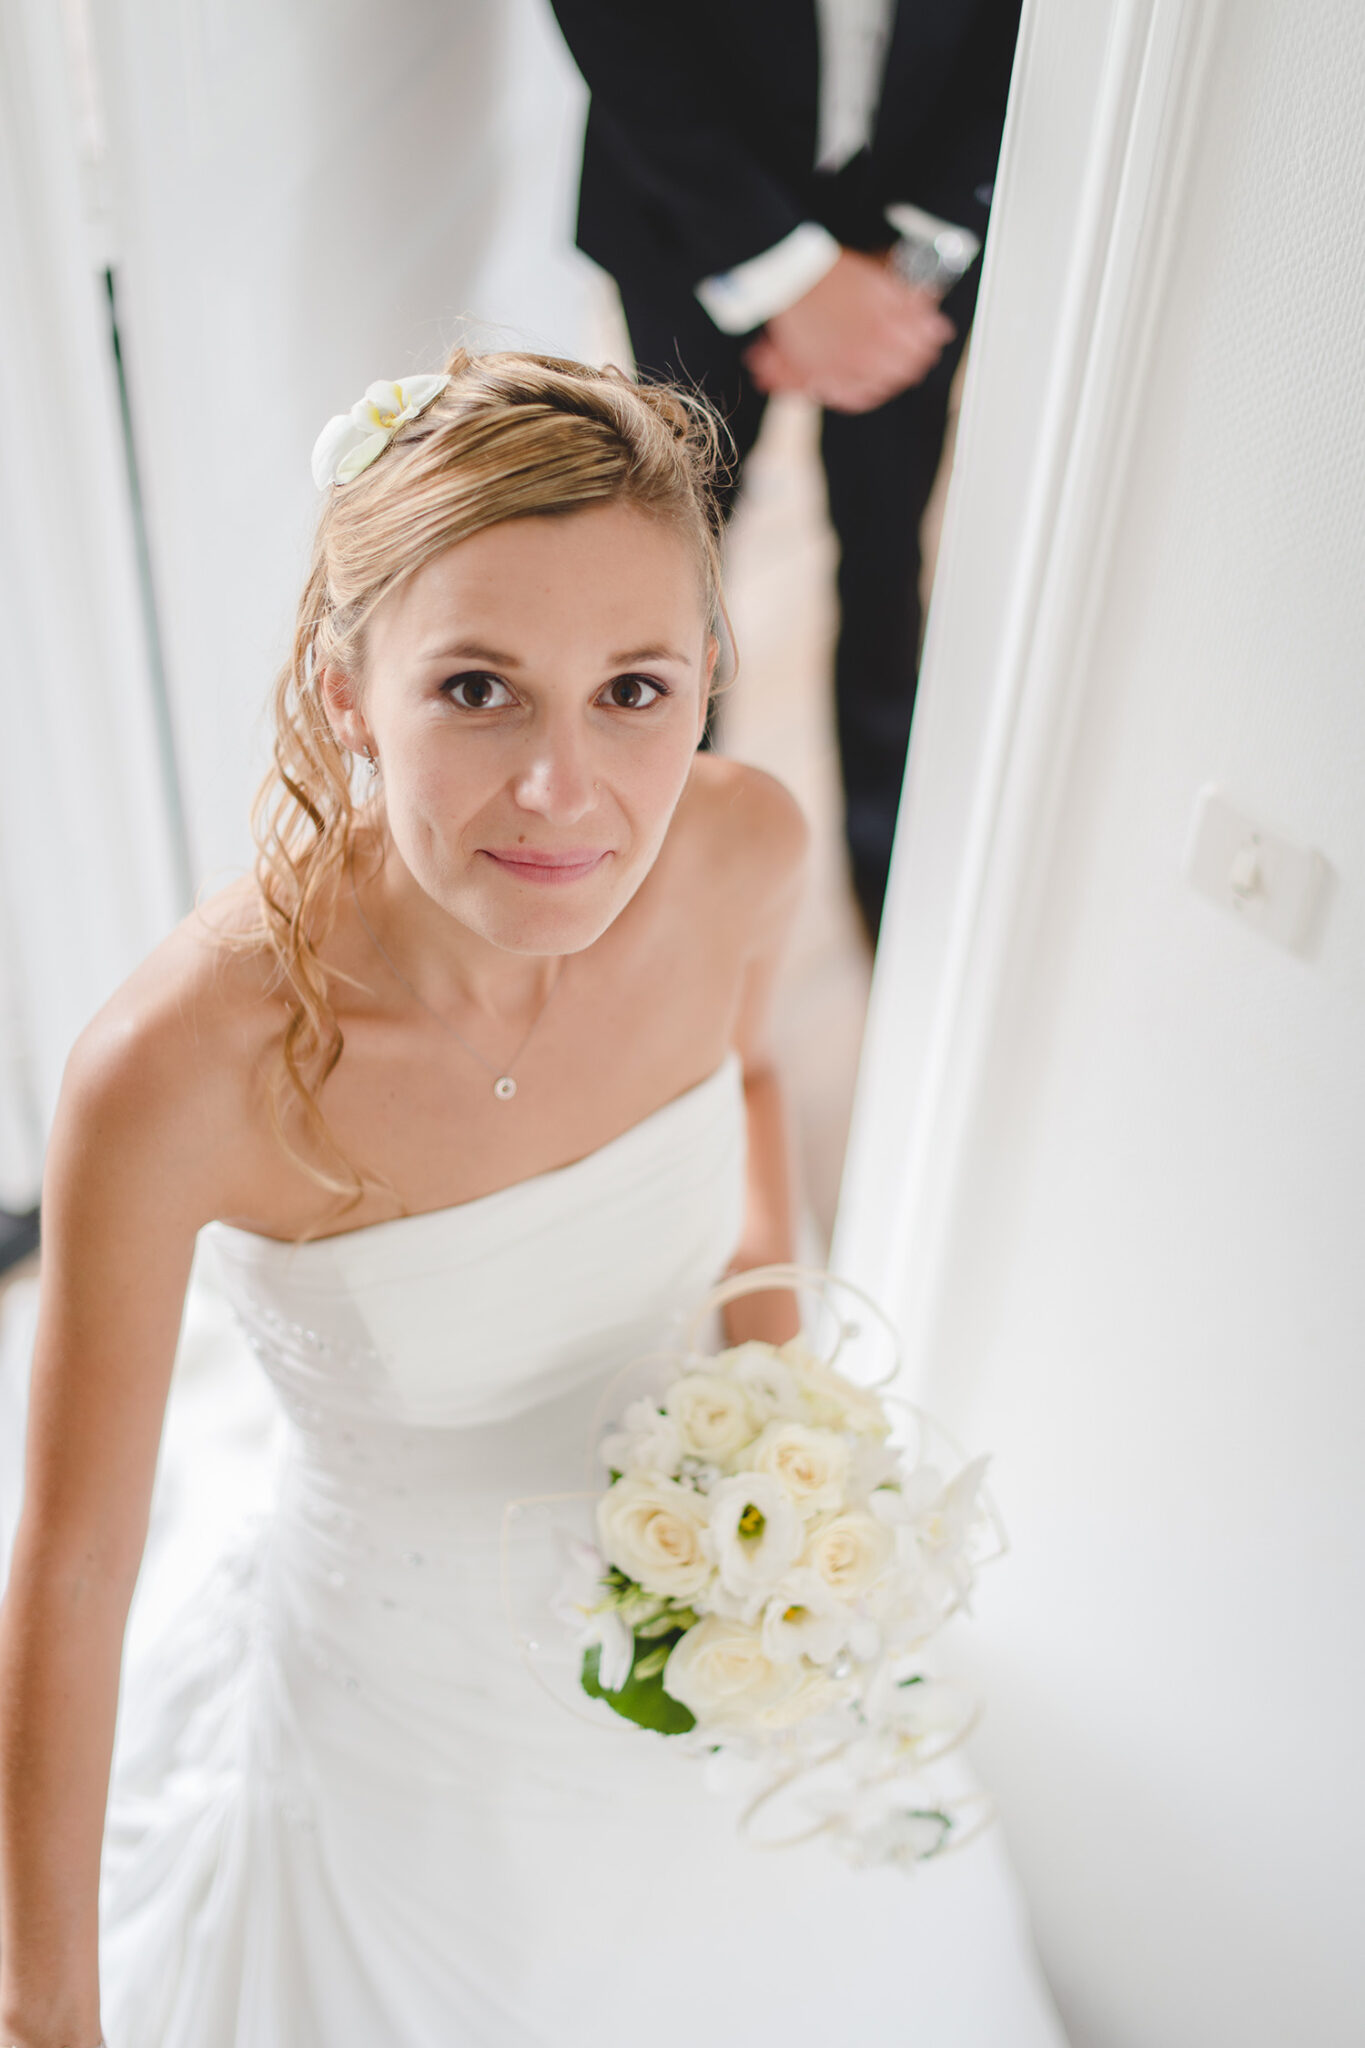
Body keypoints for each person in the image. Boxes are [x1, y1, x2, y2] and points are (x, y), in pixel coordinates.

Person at [0, 349, 1064, 2047]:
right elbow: (71, 1559)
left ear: (711, 674)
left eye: (633, 690)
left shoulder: (741, 847)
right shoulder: (170, 1070)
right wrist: (48, 2019)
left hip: (710, 1648)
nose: (567, 794)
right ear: (351, 689)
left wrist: (771, 1409)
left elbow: (757, 1081)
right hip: (409, 1734)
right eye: (480, 689)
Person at [549, 0, 1022, 940]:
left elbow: (1018, 44)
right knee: (671, 559)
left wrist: (903, 275)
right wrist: (788, 280)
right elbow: (620, 29)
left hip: (915, 233)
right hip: (689, 215)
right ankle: (656, 851)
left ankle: (887, 864)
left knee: (887, 553)